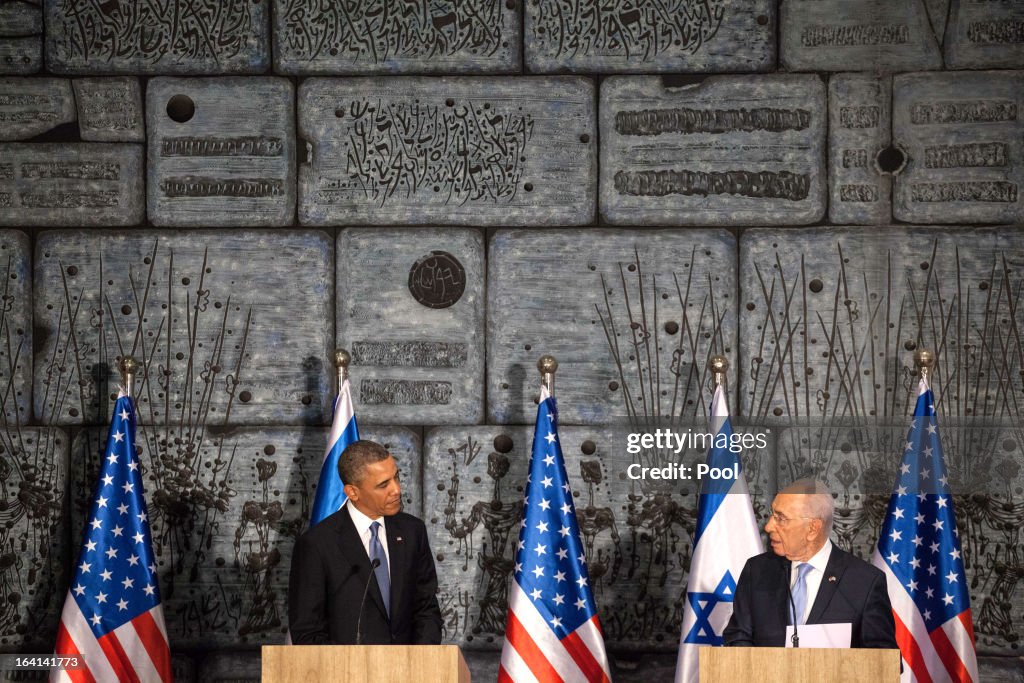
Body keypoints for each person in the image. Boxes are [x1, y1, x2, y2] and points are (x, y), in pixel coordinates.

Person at [288, 440, 443, 644]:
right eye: (383, 485)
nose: (396, 490)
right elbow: (307, 630)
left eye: (396, 477)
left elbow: (426, 608)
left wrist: (421, 662)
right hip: (346, 672)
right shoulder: (317, 544)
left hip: (409, 670)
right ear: (353, 492)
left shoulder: (412, 531)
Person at [724, 479, 897, 649]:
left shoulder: (864, 582)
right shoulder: (757, 571)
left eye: (781, 518)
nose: (769, 526)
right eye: (772, 515)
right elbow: (737, 639)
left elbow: (884, 662)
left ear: (813, 528)